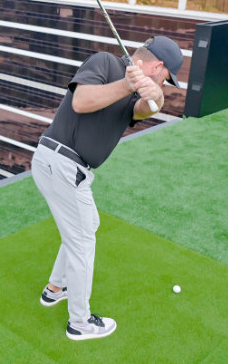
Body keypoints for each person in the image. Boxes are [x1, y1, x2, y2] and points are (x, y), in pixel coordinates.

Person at [31, 36, 183, 341]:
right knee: (83, 242)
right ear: (157, 65)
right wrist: (127, 85)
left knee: (85, 228)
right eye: (165, 78)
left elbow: (144, 109)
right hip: (62, 163)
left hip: (61, 166)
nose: (164, 82)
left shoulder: (137, 90)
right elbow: (81, 101)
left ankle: (55, 288)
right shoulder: (105, 62)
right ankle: (80, 322)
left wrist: (157, 96)